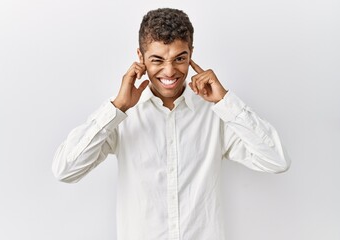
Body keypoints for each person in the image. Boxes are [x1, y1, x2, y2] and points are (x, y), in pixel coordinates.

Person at [52, 8, 290, 240]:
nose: (169, 71)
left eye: (180, 59)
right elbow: (65, 171)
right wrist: (117, 108)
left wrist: (226, 101)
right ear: (140, 57)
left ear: (191, 54)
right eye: (157, 60)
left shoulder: (215, 113)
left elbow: (277, 161)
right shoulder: (122, 117)